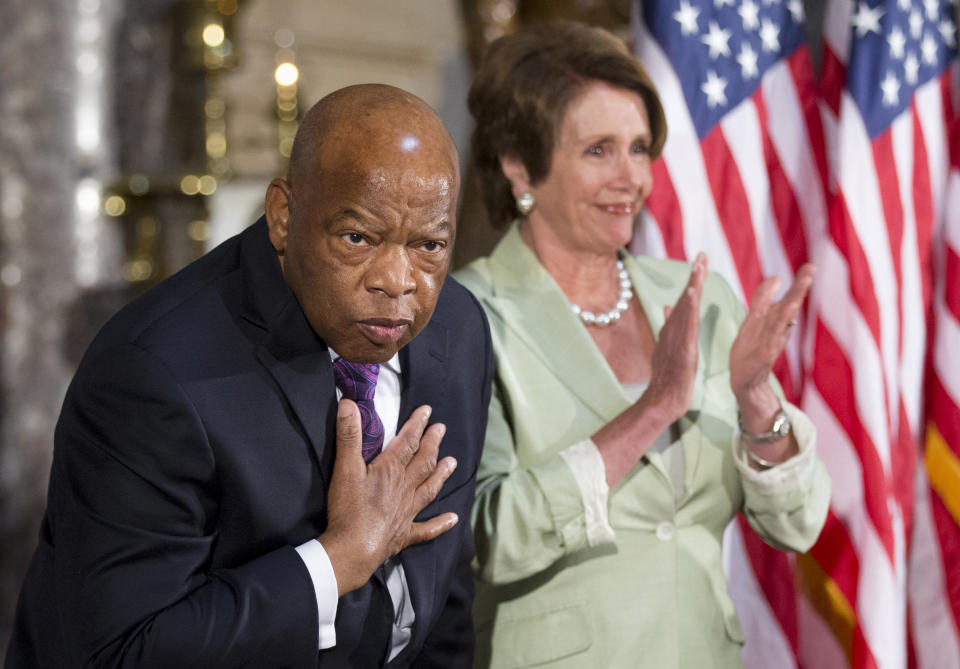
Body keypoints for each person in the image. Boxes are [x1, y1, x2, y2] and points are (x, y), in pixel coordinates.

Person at [6, 84, 493, 669]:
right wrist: (336, 561)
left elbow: (440, 594)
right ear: (285, 216)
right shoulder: (156, 373)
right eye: (358, 237)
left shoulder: (456, 330)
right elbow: (122, 651)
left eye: (429, 245)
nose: (397, 280)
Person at [454, 21, 831, 668]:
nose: (632, 177)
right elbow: (483, 539)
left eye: (639, 147)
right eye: (599, 150)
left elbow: (796, 524)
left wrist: (757, 401)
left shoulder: (698, 294)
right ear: (519, 164)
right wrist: (653, 408)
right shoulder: (469, 316)